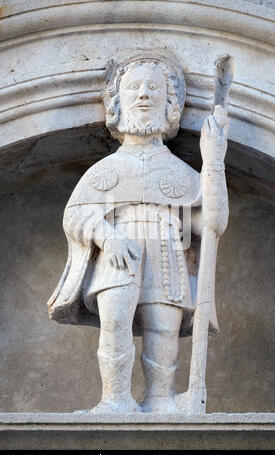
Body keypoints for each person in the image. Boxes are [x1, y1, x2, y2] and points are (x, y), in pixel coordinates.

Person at [48, 54, 229, 413]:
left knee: (163, 331)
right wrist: (105, 235)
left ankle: (160, 399)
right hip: (120, 250)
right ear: (118, 102)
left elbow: (213, 223)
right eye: (133, 87)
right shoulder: (107, 169)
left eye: (153, 88)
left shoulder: (180, 172)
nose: (143, 95)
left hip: (167, 252)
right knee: (114, 324)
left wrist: (214, 161)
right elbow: (77, 214)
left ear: (170, 104)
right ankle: (114, 399)